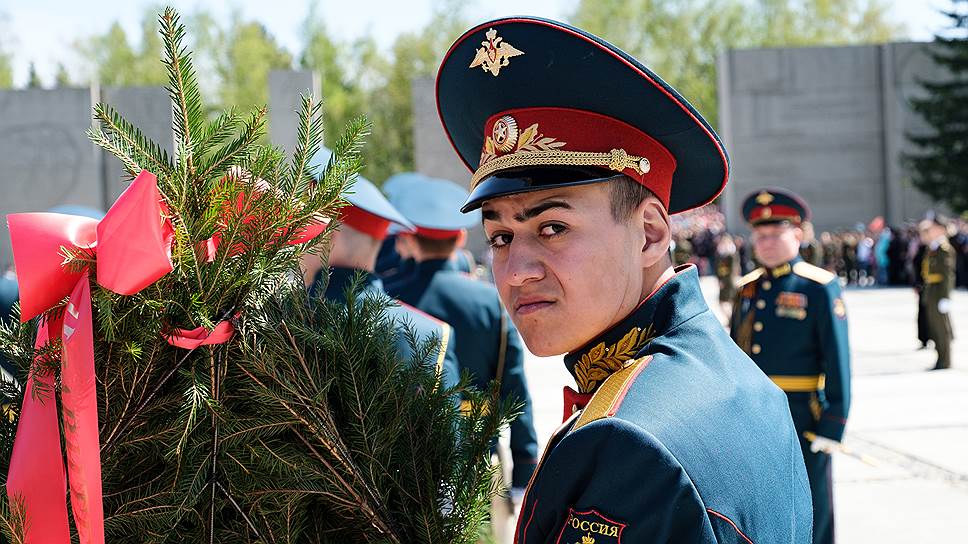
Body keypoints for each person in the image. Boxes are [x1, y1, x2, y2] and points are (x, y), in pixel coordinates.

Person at [436, 17, 810, 542]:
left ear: (651, 234)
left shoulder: (628, 441)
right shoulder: (733, 375)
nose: (516, 271)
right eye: (499, 238)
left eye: (553, 227)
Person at [386, 174, 539, 509]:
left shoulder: (391, 300)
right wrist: (525, 465)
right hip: (478, 452)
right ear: (459, 239)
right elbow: (514, 389)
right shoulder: (490, 302)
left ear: (409, 239)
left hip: (405, 458)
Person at [730, 188, 851, 544]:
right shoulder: (747, 289)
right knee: (761, 500)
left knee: (812, 502)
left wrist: (834, 422)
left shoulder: (819, 287)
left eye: (775, 234)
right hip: (754, 413)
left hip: (803, 415)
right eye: (759, 235)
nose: (765, 242)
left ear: (797, 234)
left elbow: (837, 358)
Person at [300, 151, 460, 390]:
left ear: (326, 236)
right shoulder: (430, 335)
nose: (296, 240)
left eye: (305, 229)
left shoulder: (271, 323)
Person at [918, 216, 955, 370]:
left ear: (940, 229)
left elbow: (948, 275)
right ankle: (940, 357)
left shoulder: (943, 248)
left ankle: (944, 360)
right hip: (931, 290)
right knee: (934, 327)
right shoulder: (933, 247)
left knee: (941, 328)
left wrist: (946, 297)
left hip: (939, 291)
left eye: (932, 227)